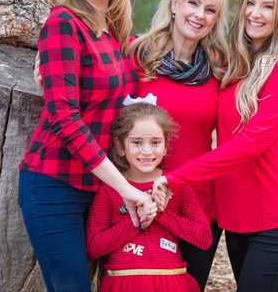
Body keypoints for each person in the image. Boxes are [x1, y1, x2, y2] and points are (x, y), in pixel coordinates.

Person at [153, 0, 278, 292]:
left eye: (268, 7)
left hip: (277, 219)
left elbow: (249, 144)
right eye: (251, 3)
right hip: (236, 220)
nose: (256, 13)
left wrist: (175, 178)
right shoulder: (234, 64)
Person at [18, 0, 156, 292]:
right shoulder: (63, 23)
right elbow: (65, 117)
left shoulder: (113, 31)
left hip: (98, 188)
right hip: (55, 184)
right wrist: (127, 188)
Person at [129, 0, 229, 291]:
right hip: (139, 200)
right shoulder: (136, 55)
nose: (199, 15)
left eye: (210, 9)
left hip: (197, 206)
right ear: (174, 4)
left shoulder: (220, 69)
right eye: (193, 3)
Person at [86, 99, 212, 292]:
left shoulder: (177, 187)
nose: (146, 150)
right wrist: (136, 220)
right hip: (123, 284)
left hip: (171, 284)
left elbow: (203, 238)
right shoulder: (110, 188)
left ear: (166, 145)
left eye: (155, 142)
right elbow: (94, 247)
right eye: (136, 142)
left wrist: (160, 213)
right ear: (120, 146)